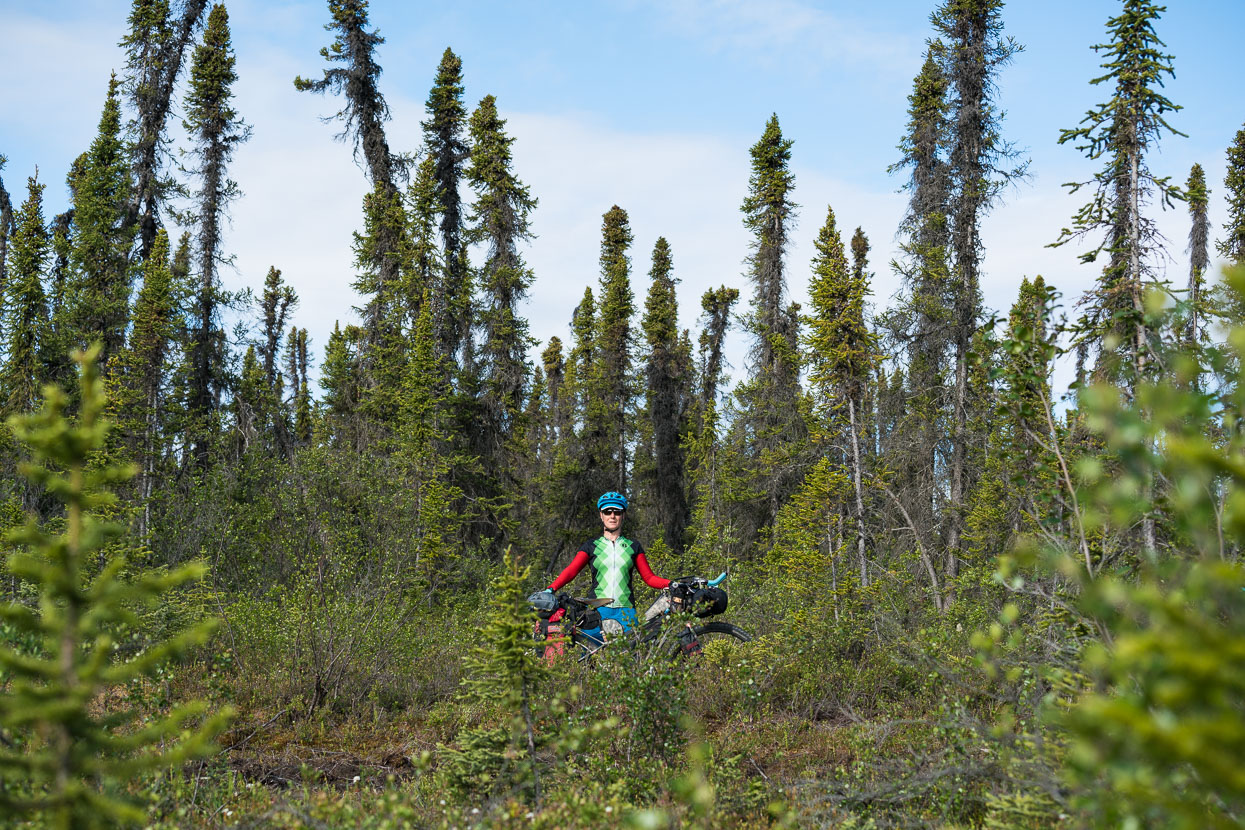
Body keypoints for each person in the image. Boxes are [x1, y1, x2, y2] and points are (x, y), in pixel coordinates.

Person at [544, 491, 669, 642]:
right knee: (591, 659)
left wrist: (671, 584)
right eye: (607, 511)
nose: (612, 516)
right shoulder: (592, 546)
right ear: (601, 515)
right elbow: (571, 571)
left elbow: (649, 578)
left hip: (626, 611)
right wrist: (551, 589)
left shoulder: (633, 546)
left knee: (630, 659)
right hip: (597, 611)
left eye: (617, 512)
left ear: (623, 515)